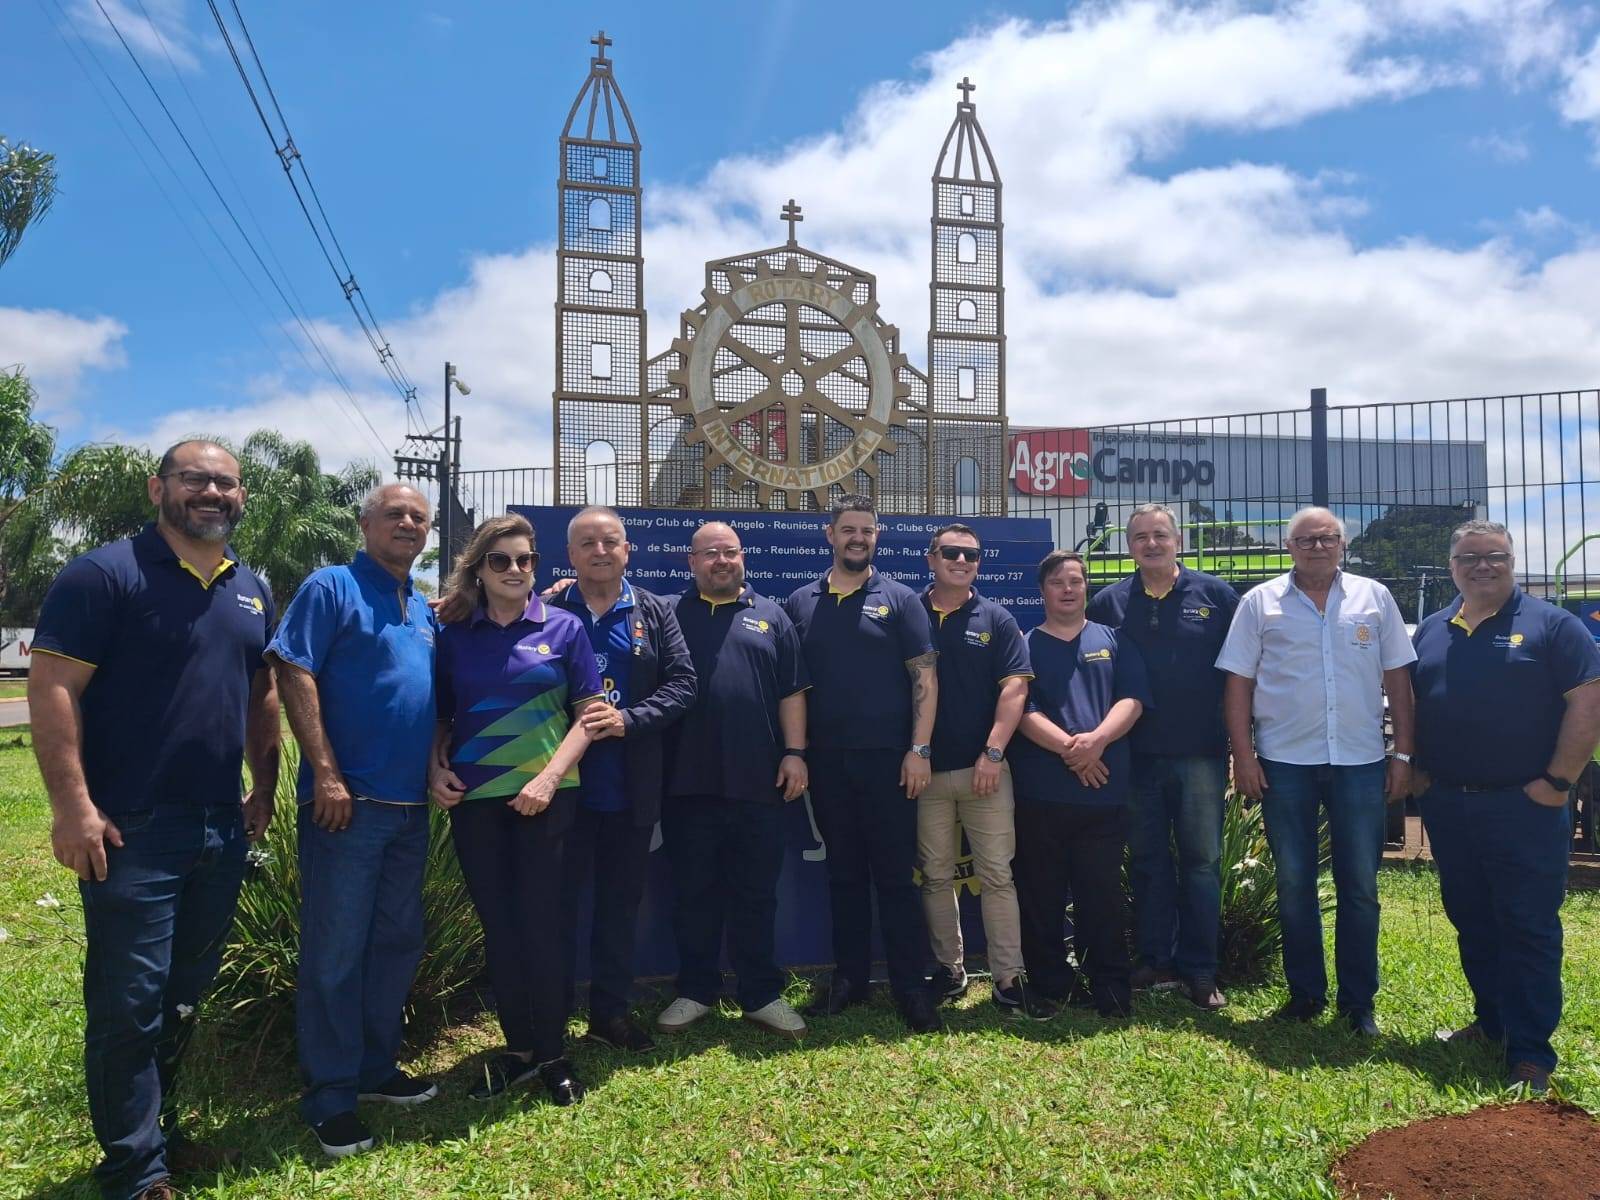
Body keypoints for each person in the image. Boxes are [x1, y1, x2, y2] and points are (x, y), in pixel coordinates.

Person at [29, 440, 279, 1200]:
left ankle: (155, 1134)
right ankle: (135, 1171)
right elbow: (53, 688)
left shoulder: (250, 586)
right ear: (157, 488)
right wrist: (73, 807)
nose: (212, 492)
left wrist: (262, 791)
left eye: (225, 483)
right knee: (128, 1002)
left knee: (180, 993)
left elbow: (260, 693)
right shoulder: (105, 575)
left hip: (218, 825)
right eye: (194, 479)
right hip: (130, 827)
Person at [265, 482, 440, 1158]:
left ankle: (374, 1069)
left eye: (416, 518)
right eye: (393, 514)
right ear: (366, 523)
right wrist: (327, 774)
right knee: (336, 953)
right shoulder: (330, 587)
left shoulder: (421, 605)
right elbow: (293, 669)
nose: (406, 524)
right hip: (349, 806)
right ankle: (330, 1096)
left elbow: (421, 698)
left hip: (409, 810)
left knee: (395, 944)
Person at [1410, 520, 1600, 1093]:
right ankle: (1492, 1023)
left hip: (1526, 807)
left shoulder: (1554, 626)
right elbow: (1411, 702)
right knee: (1472, 919)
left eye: (1494, 556)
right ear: (1451, 565)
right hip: (1448, 803)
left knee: (1528, 926)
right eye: (1469, 557)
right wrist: (1418, 773)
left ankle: (1530, 1053)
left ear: (1513, 561)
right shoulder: (1432, 630)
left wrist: (1557, 781)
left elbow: (1588, 704)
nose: (1482, 566)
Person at [1217, 506, 1415, 1036]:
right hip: (1285, 762)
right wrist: (1244, 756)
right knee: (1294, 882)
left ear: (1342, 544)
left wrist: (1403, 756)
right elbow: (1238, 684)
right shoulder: (1260, 603)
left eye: (1327, 538)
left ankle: (1358, 1004)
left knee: (1360, 887)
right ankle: (1305, 995)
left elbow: (1398, 679)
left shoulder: (1375, 598)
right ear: (1290, 548)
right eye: (1306, 540)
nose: (1317, 547)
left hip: (1359, 760)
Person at [429, 515, 606, 1104]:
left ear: (536, 565)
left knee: (545, 929)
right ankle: (519, 1052)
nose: (514, 570)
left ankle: (554, 1054)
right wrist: (436, 767)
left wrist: (550, 779)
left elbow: (590, 715)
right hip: (475, 804)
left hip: (548, 802)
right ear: (478, 568)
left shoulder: (564, 628)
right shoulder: (452, 634)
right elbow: (442, 716)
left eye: (525, 560)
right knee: (502, 931)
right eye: (501, 560)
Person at [784, 494, 943, 1034]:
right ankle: (849, 979)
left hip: (892, 765)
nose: (858, 538)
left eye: (867, 530)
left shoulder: (900, 599)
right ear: (829, 535)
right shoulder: (800, 603)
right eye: (848, 529)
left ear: (878, 536)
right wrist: (798, 754)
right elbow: (793, 688)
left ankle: (910, 987)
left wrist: (919, 750)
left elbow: (925, 677)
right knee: (844, 876)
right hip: (827, 765)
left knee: (896, 879)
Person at [655, 522, 811, 1039]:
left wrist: (794, 752)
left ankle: (761, 993)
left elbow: (792, 692)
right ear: (691, 561)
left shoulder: (773, 617)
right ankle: (696, 990)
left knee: (756, 895)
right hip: (685, 782)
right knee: (693, 893)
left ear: (742, 558)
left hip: (758, 782)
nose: (721, 561)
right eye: (710, 554)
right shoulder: (666, 614)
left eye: (729, 552)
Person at [549, 506, 697, 1053]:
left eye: (610, 541)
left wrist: (629, 720)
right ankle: (553, 1016)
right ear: (571, 555)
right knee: (557, 909)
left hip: (630, 791)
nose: (600, 551)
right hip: (558, 790)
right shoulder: (544, 608)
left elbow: (684, 684)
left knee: (618, 909)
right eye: (587, 543)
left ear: (627, 550)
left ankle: (609, 1014)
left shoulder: (655, 612)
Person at [1085, 503, 1238, 1010]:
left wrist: (1242, 746)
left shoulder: (1217, 597)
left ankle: (1200, 970)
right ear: (1128, 546)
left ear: (1179, 541)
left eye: (1160, 535)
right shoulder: (1107, 603)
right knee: (1148, 861)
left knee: (1201, 863)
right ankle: (1156, 959)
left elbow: (1239, 677)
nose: (1151, 544)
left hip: (1200, 754)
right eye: (1140, 537)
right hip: (1134, 757)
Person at [916, 523, 1054, 1019]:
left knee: (998, 876)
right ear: (931, 558)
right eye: (951, 552)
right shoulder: (909, 613)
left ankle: (1007, 980)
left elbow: (1015, 690)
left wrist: (993, 754)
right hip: (925, 774)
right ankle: (949, 973)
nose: (961, 560)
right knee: (934, 877)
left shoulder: (996, 618)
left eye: (971, 555)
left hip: (986, 773)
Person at [1009, 551, 1150, 1017]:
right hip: (1041, 795)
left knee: (1102, 896)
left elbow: (1131, 700)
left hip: (1103, 796)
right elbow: (1021, 712)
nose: (1068, 589)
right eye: (1057, 582)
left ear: (1086, 587)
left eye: (1076, 580)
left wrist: (1097, 740)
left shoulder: (1115, 640)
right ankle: (1050, 981)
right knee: (1041, 895)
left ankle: (1110, 984)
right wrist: (1074, 750)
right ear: (1042, 591)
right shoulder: (1024, 645)